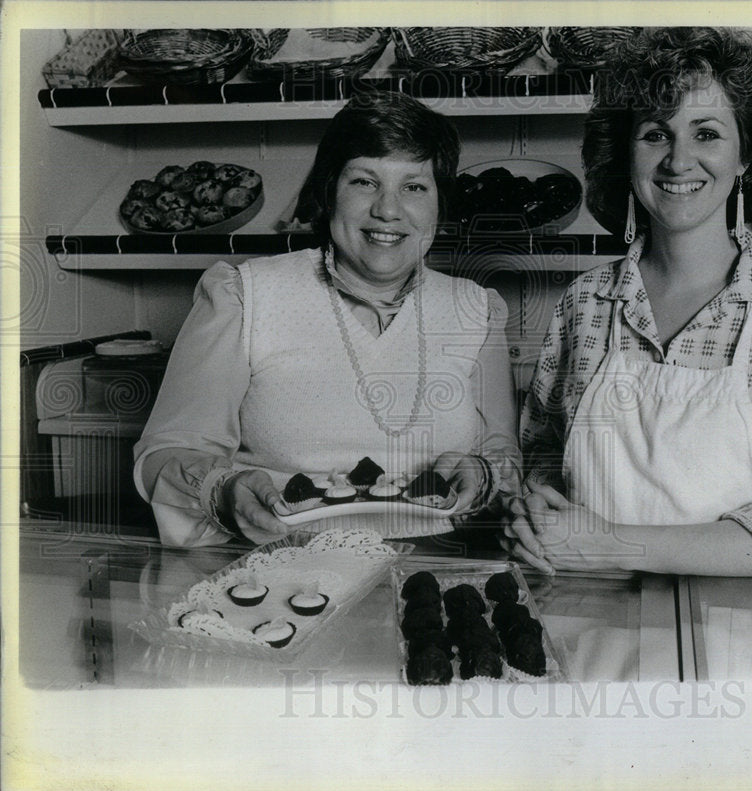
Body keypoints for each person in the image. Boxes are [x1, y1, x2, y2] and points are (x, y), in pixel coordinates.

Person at [507, 27, 752, 594]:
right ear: (626, 152)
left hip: (740, 646)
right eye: (656, 133)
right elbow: (545, 458)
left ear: (746, 154)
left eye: (707, 133)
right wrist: (536, 514)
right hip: (587, 631)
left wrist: (614, 543)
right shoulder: (585, 305)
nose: (679, 160)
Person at [135, 91, 521, 547]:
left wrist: (483, 474)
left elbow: (504, 457)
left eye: (414, 186)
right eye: (364, 182)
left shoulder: (476, 309)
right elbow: (165, 455)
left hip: (438, 571)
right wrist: (222, 491)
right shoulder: (244, 295)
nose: (388, 210)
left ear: (439, 203)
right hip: (278, 569)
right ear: (328, 190)